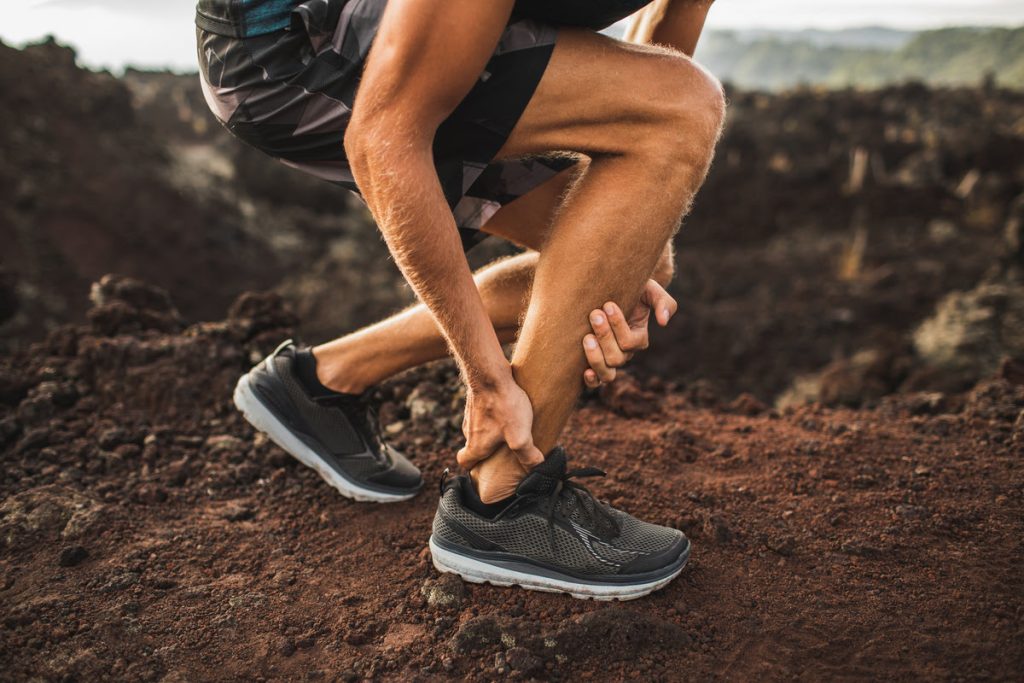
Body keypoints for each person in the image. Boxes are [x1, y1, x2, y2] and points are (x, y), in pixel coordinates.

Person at [198, 0, 724, 599]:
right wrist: (486, 376)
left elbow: (642, 95)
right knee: (680, 106)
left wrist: (608, 258)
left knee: (639, 254)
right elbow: (382, 136)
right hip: (284, 54)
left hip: (430, 38)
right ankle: (502, 503)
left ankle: (320, 382)